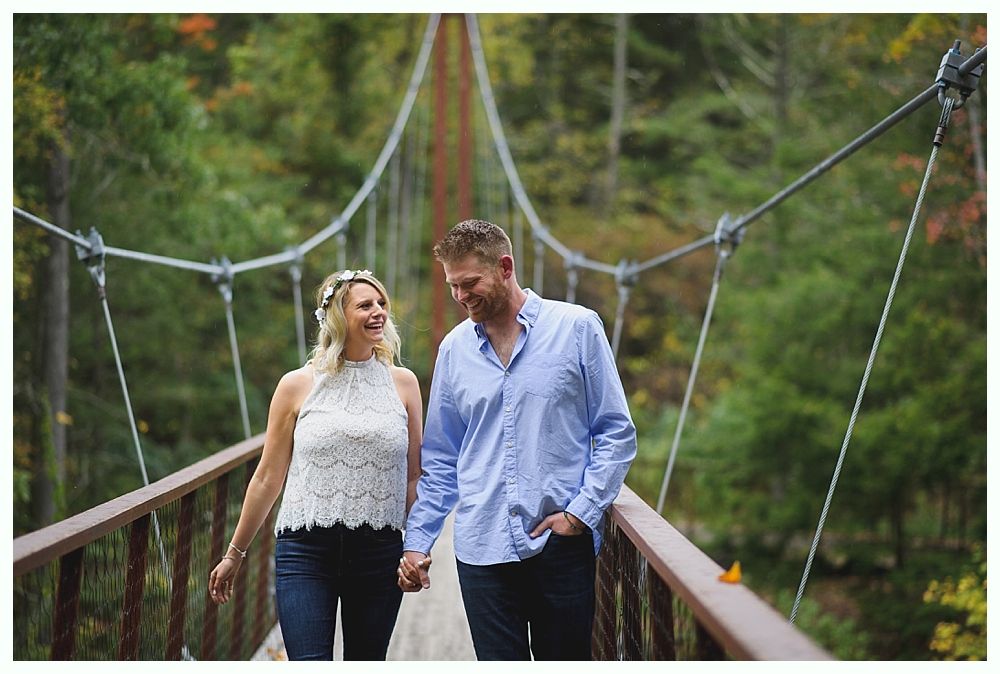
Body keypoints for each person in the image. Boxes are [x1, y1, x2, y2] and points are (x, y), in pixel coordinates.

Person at [397, 219, 637, 660]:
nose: (460, 296)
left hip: (560, 544)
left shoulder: (578, 329)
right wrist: (417, 541)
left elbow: (615, 432)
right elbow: (443, 459)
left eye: (470, 283)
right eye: (452, 286)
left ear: (505, 267)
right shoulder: (454, 350)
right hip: (480, 548)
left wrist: (580, 515)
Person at [208, 269, 423, 661]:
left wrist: (418, 548)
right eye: (365, 305)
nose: (379, 313)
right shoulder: (296, 385)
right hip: (306, 551)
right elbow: (267, 477)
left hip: (379, 552)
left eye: (381, 304)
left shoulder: (404, 384)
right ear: (339, 316)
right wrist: (233, 554)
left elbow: (413, 478)